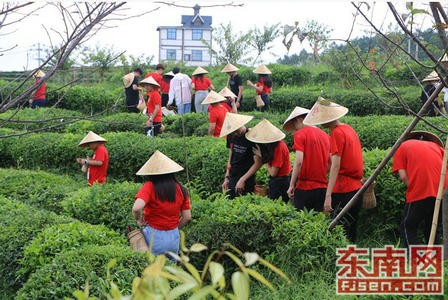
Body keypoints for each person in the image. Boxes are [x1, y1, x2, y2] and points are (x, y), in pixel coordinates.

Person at [303, 97, 364, 243]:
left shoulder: (336, 133)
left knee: (340, 230)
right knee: (351, 229)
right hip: (356, 188)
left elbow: (336, 165)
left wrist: (328, 195)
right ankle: (350, 259)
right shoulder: (348, 129)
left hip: (343, 189)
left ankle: (341, 260)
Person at [392, 131, 447, 248]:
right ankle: (435, 256)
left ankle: (414, 257)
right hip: (442, 190)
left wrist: (413, 188)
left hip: (421, 189)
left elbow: (402, 175)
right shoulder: (437, 147)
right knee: (433, 226)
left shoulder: (403, 146)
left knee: (408, 226)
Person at [132, 150, 191, 257]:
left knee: (153, 269)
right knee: (170, 270)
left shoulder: (150, 186)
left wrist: (139, 219)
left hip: (154, 236)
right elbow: (187, 217)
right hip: (174, 238)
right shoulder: (182, 189)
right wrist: (174, 228)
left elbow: (136, 208)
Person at [283, 106, 331, 212]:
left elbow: (299, 161)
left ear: (299, 120)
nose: (295, 128)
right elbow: (330, 163)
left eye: (295, 124)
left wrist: (291, 184)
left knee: (302, 222)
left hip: (305, 187)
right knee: (317, 222)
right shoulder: (325, 136)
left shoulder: (300, 134)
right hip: (322, 187)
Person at [246, 119, 291, 203]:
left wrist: (263, 157)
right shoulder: (273, 145)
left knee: (277, 206)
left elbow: (273, 173)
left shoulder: (279, 147)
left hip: (280, 182)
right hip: (277, 181)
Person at [220, 112, 261, 199]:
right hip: (233, 175)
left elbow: (258, 163)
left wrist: (243, 179)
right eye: (232, 132)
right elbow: (231, 155)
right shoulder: (231, 135)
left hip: (247, 177)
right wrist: (226, 177)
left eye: (236, 131)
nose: (234, 134)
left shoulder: (251, 137)